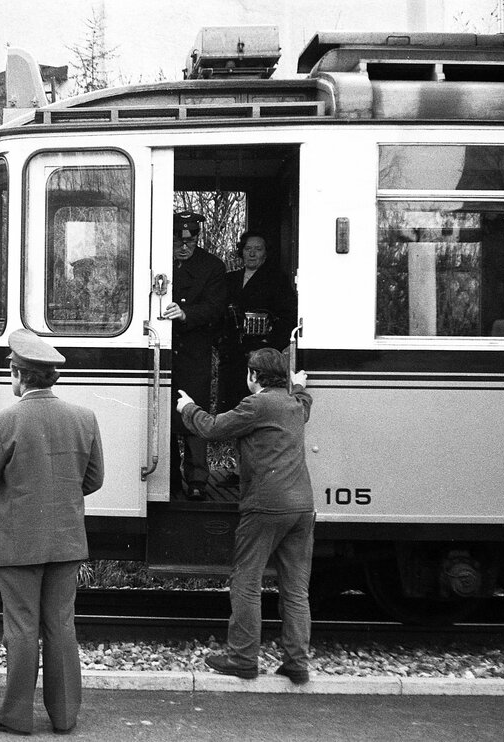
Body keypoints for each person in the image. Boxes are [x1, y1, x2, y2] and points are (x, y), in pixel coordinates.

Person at [0, 329, 104, 736]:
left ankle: (15, 716)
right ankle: (64, 717)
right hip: (66, 539)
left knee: (22, 627)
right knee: (61, 624)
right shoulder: (85, 418)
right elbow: (94, 479)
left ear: (18, 374)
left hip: (16, 542)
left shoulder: (0, 422)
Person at [175, 347, 315, 685]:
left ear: (254, 376)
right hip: (301, 507)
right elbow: (306, 404)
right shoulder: (295, 404)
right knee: (296, 590)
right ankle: (297, 663)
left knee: (247, 581)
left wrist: (187, 407)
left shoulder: (257, 404)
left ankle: (242, 658)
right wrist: (301, 387)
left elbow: (210, 428)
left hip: (266, 504)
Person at [161, 210, 228, 501]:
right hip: (163, 350)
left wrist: (187, 313)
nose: (185, 246)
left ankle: (198, 478)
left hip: (193, 352)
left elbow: (216, 308)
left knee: (193, 415)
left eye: (191, 239)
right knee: (163, 414)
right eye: (179, 239)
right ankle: (169, 479)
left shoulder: (212, 266)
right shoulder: (157, 258)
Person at [217, 231, 297, 413]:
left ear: (265, 253)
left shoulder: (277, 280)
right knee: (230, 402)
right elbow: (218, 313)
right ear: (241, 251)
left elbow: (288, 317)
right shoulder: (229, 279)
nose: (252, 253)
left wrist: (271, 346)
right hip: (231, 352)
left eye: (258, 249)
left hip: (261, 353)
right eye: (248, 248)